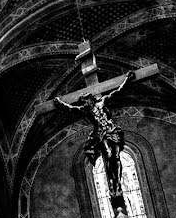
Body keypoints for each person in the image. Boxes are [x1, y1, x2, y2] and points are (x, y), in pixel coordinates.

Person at [55, 71, 135, 200]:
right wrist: (60, 102)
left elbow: (118, 91)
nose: (85, 104)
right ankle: (111, 184)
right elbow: (71, 108)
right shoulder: (85, 110)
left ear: (91, 99)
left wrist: (127, 79)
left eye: (86, 101)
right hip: (101, 134)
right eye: (84, 102)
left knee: (115, 157)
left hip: (113, 131)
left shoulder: (102, 102)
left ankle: (117, 183)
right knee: (108, 155)